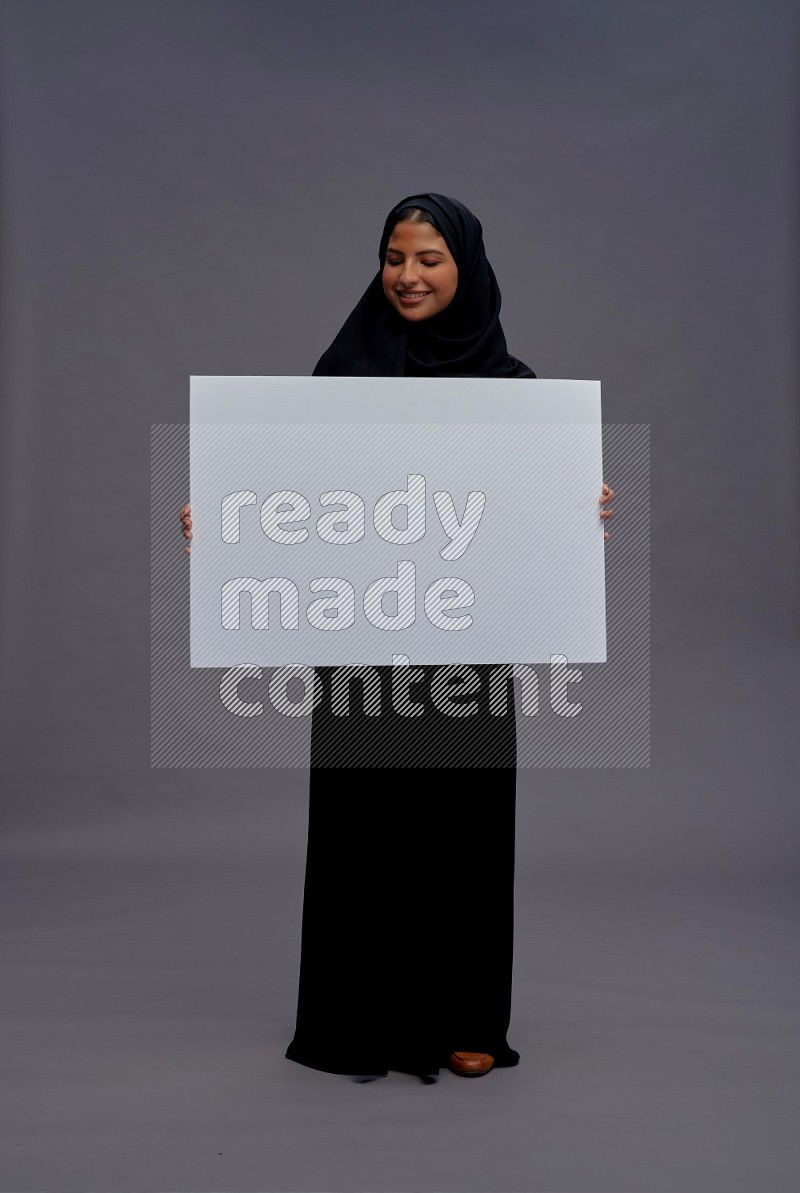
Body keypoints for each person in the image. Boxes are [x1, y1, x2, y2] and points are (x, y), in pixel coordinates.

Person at [180, 192, 615, 1084]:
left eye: (429, 259)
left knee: (463, 833)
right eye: (394, 257)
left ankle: (465, 1018)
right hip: (365, 651)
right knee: (363, 830)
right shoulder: (342, 375)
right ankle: (356, 1020)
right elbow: (293, 504)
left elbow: (528, 531)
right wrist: (225, 521)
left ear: (468, 268)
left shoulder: (514, 392)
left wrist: (582, 510)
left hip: (466, 653)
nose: (408, 276)